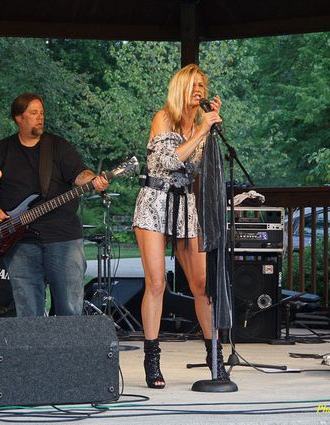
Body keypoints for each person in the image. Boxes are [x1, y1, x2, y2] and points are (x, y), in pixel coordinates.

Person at [132, 64, 227, 388]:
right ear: (181, 88)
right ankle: (152, 358)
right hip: (156, 200)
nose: (200, 89)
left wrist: (209, 129)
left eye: (203, 84)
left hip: (184, 203)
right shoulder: (164, 118)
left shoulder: (199, 124)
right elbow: (169, 161)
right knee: (157, 283)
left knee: (202, 285)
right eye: (194, 84)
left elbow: (200, 167)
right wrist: (201, 131)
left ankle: (214, 356)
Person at [0, 92, 108, 317]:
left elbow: (80, 174)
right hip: (19, 240)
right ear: (19, 118)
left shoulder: (58, 146)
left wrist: (93, 180)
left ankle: (70, 351)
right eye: (33, 113)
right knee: (28, 307)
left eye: (42, 113)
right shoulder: (2, 150)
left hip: (62, 236)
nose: (40, 118)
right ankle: (34, 352)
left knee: (69, 305)